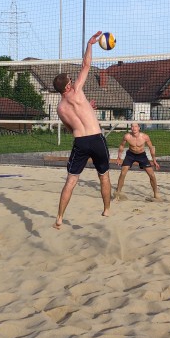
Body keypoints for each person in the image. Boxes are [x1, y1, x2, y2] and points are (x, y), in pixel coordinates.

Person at [53, 31, 112, 229]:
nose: (72, 80)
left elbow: (71, 127)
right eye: (70, 79)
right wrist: (90, 44)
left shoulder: (60, 109)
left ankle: (60, 218)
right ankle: (106, 209)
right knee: (103, 176)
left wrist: (88, 109)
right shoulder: (77, 90)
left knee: (71, 180)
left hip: (80, 141)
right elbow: (86, 65)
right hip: (96, 139)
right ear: (68, 86)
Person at [114, 123, 161, 201]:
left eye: (135, 126)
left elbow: (151, 148)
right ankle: (118, 193)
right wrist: (119, 157)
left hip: (141, 155)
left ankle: (156, 193)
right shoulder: (127, 136)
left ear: (139, 128)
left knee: (152, 174)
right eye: (132, 126)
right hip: (130, 155)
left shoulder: (145, 137)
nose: (134, 128)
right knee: (123, 173)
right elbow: (122, 146)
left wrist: (154, 160)